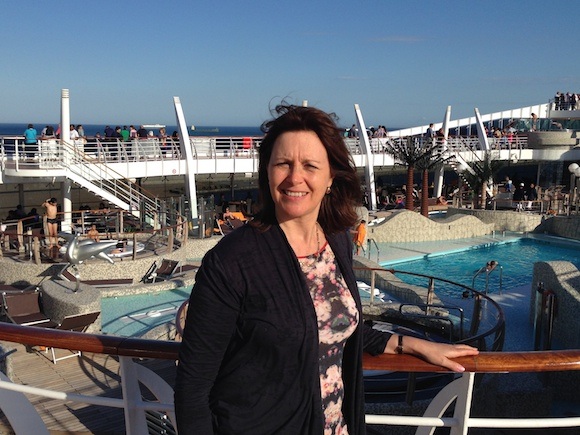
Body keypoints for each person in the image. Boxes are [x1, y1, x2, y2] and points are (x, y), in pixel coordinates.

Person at [174, 104, 479, 434]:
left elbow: (322, 325)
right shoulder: (232, 261)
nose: (295, 177)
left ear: (331, 176)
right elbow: (192, 390)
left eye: (310, 166)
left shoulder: (336, 241)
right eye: (283, 164)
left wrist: (410, 344)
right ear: (267, 172)